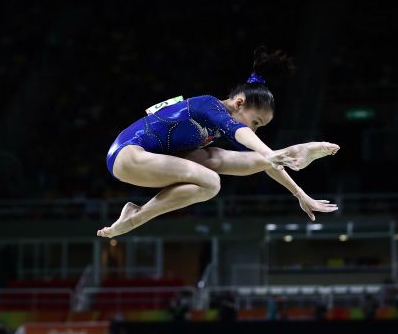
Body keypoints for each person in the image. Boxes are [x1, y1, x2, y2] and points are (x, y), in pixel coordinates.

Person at [98, 47, 339, 238]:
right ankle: (135, 217)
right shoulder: (208, 104)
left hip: (152, 159)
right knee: (212, 179)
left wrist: (299, 193)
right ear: (239, 102)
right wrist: (269, 152)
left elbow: (262, 161)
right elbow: (238, 131)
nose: (253, 130)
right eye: (255, 122)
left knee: (217, 161)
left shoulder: (219, 127)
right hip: (127, 155)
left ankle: (295, 151)